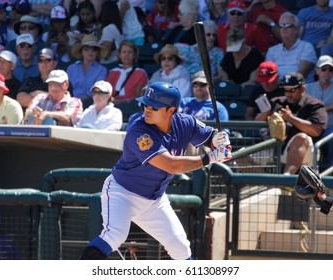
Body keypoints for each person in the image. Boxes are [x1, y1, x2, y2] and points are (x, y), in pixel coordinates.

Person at [78, 81, 232, 260]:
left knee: (180, 245)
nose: (147, 110)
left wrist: (220, 140)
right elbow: (171, 165)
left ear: (171, 110)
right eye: (145, 104)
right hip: (123, 192)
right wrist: (210, 158)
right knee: (115, 235)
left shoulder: (185, 123)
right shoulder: (138, 129)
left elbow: (211, 137)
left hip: (154, 200)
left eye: (154, 107)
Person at [255, 72, 327, 175]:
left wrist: (291, 118)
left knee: (301, 137)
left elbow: (317, 130)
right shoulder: (276, 102)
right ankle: (268, 182)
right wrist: (266, 114)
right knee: (242, 156)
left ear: (302, 88)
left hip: (306, 151)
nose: (288, 93)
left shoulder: (314, 105)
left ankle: (285, 179)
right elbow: (256, 123)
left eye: (292, 90)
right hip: (276, 147)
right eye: (285, 90)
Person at [265, 11, 318, 83]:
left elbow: (302, 73)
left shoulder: (306, 47)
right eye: (281, 25)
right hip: (276, 87)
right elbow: (267, 73)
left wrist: (284, 84)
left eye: (287, 25)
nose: (284, 28)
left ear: (296, 29)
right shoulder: (272, 50)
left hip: (298, 88)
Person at [67, 34, 108, 109]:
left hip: (92, 104)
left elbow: (97, 89)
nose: (90, 52)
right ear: (81, 52)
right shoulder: (71, 68)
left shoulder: (102, 69)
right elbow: (66, 88)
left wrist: (79, 101)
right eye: (87, 49)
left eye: (94, 49)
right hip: (70, 103)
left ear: (97, 52)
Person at [306, 55, 333, 169]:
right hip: (311, 126)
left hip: (330, 128)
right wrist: (328, 107)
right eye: (323, 69)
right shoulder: (307, 88)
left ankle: (329, 173)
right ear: (317, 71)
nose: (327, 72)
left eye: (330, 69)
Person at [98, 1, 123, 65]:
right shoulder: (116, 28)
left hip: (108, 64)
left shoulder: (108, 29)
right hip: (114, 63)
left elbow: (105, 54)